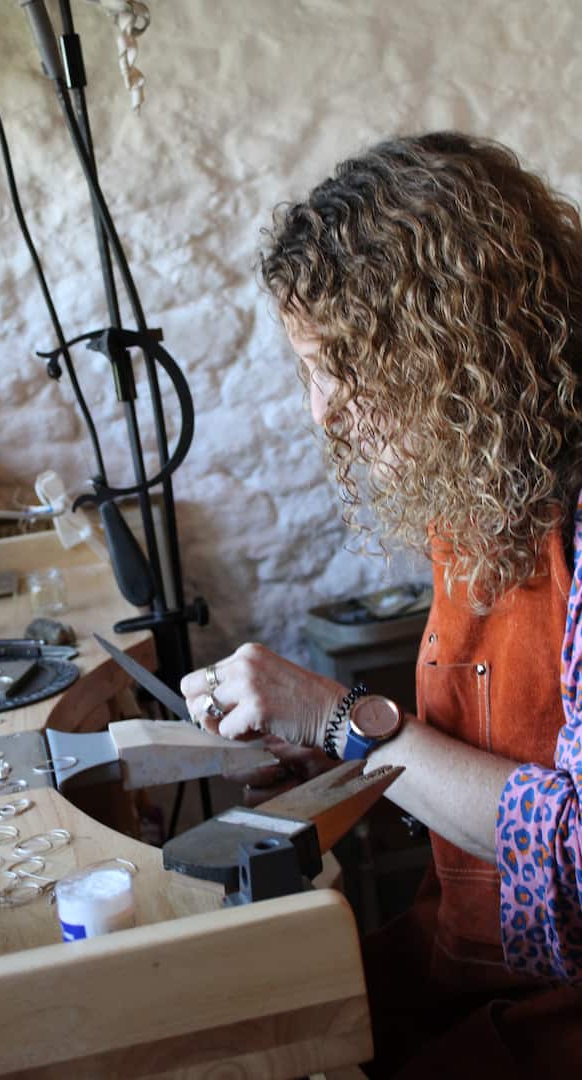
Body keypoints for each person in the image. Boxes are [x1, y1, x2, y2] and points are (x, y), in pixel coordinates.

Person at [180, 132, 582, 1078]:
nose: (321, 411)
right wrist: (345, 761)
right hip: (473, 964)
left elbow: (573, 854)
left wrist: (345, 719)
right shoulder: (489, 485)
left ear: (454, 343)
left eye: (338, 366)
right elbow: (504, 755)